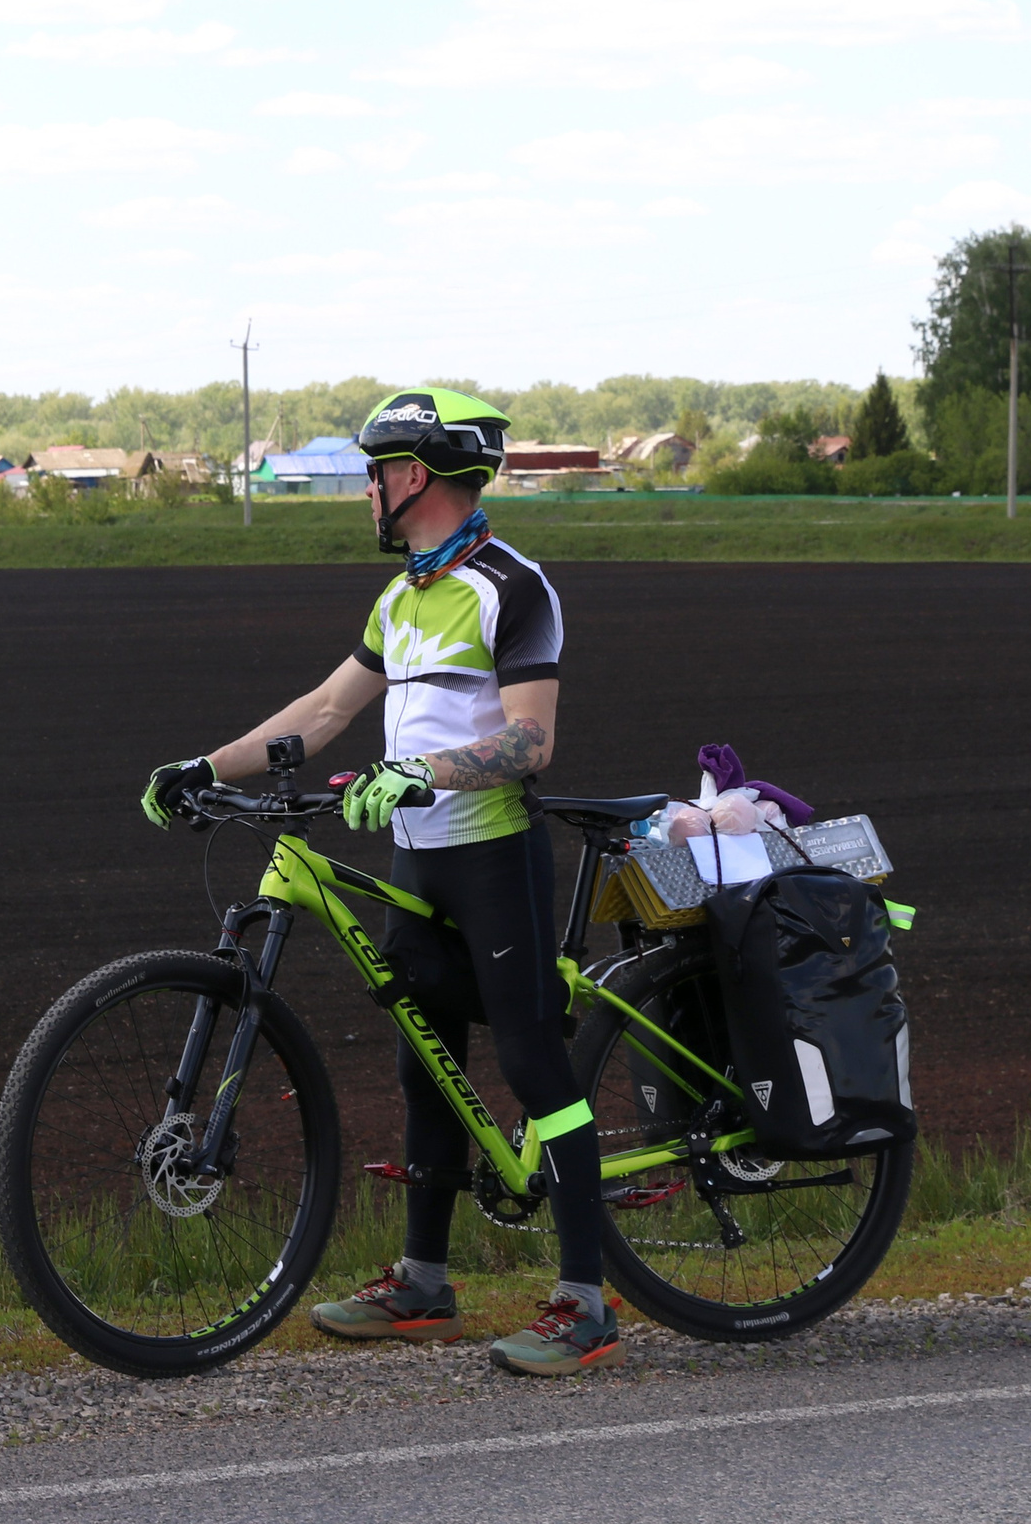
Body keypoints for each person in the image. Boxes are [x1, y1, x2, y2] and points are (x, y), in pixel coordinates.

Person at [138, 388, 618, 1378]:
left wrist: (421, 773)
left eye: (374, 472)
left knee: (532, 1061)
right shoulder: (399, 598)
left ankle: (584, 1298)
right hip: (419, 859)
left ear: (416, 476)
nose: (366, 490)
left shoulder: (509, 586)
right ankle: (422, 1282)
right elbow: (321, 712)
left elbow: (532, 738)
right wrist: (203, 766)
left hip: (493, 853)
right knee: (423, 1057)